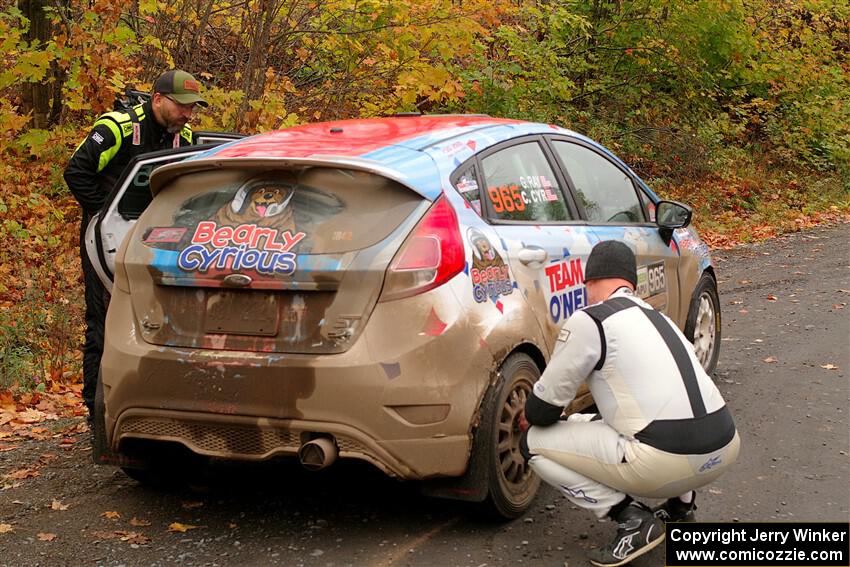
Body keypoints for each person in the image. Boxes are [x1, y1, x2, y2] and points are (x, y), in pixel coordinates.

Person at [519, 240, 740, 567]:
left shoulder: (590, 320)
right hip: (722, 447)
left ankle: (632, 519)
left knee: (532, 443)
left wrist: (531, 415)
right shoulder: (659, 319)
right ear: (629, 284)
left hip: (664, 461)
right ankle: (681, 507)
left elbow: (543, 410)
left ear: (591, 280)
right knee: (628, 417)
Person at [64, 69, 208, 420]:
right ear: (158, 99)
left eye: (193, 108)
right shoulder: (118, 127)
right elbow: (76, 172)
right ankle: (98, 411)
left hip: (161, 240)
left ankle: (156, 400)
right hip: (108, 237)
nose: (188, 114)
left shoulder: (185, 136)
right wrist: (108, 214)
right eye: (182, 106)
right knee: (104, 319)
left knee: (162, 317)